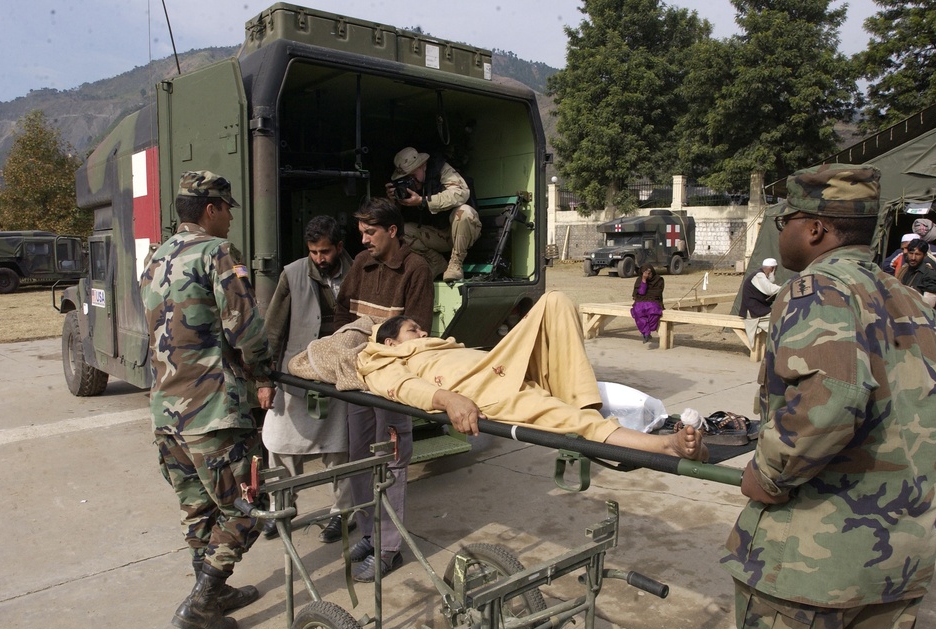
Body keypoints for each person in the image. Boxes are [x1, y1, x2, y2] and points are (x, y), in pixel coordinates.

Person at [721, 163, 936, 629]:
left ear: (815, 228)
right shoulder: (901, 294)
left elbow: (831, 398)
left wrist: (769, 473)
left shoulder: (815, 288)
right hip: (894, 562)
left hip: (810, 567)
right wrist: (896, 429)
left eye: (786, 222)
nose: (783, 234)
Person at [140, 170, 275, 629]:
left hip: (165, 413)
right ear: (211, 209)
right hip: (211, 410)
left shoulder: (156, 256)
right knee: (249, 508)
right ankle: (199, 602)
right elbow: (244, 326)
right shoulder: (216, 253)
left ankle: (214, 599)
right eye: (228, 208)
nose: (231, 216)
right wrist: (263, 373)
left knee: (199, 512)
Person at [357, 291, 707, 460]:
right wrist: (449, 400)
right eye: (412, 331)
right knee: (575, 422)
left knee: (555, 299)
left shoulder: (441, 344)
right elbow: (401, 387)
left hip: (500, 364)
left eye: (420, 329)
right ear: (391, 342)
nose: (422, 333)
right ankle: (666, 445)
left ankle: (583, 405)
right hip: (485, 392)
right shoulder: (384, 358)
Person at [334, 197, 435, 582]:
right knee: (359, 458)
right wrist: (346, 353)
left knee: (392, 462)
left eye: (370, 232)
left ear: (393, 231)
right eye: (361, 232)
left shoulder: (416, 269)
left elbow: (417, 337)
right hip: (358, 380)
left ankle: (389, 549)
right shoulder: (361, 264)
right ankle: (368, 534)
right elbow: (342, 313)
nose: (362, 240)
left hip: (392, 387)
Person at [260, 215, 355, 543]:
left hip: (337, 378)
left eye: (325, 252)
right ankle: (281, 507)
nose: (319, 258)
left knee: (339, 449)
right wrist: (263, 379)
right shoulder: (292, 273)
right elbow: (272, 329)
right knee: (279, 445)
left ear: (339, 247)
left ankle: (343, 513)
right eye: (313, 252)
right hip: (296, 378)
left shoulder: (356, 272)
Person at [385, 146, 481, 282]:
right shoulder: (408, 187)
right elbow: (393, 220)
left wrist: (423, 201)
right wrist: (393, 202)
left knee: (465, 212)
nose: (411, 180)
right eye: (407, 177)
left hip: (462, 231)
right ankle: (436, 262)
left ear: (423, 165)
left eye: (413, 175)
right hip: (437, 235)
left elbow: (461, 193)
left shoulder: (440, 169)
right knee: (400, 231)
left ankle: (455, 263)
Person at [897, 239, 936, 316]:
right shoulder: (906, 270)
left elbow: (928, 304)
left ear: (924, 256)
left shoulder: (929, 274)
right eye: (911, 253)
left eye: (917, 254)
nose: (913, 257)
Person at [630, 263, 664, 343]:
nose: (648, 275)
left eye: (650, 273)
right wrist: (644, 280)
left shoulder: (658, 280)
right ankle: (646, 333)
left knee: (653, 310)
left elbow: (657, 293)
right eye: (646, 273)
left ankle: (647, 331)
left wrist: (648, 295)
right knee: (637, 311)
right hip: (641, 301)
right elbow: (641, 293)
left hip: (654, 301)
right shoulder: (640, 280)